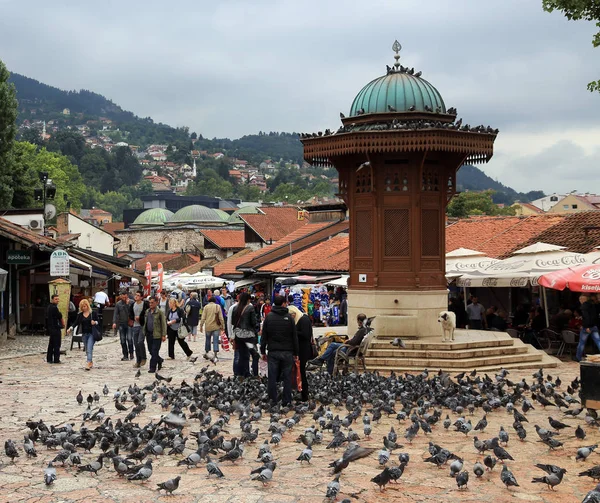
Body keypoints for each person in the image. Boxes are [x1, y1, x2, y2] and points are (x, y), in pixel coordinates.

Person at [260, 295, 298, 406]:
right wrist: (296, 353)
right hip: (287, 352)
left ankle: (273, 399)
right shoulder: (289, 318)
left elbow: (264, 336)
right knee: (287, 377)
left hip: (273, 352)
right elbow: (294, 337)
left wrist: (263, 351)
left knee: (272, 376)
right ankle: (287, 400)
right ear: (283, 304)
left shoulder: (269, 317)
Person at [231, 292, 259, 378]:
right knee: (255, 355)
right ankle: (255, 374)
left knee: (242, 356)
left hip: (239, 336)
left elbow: (233, 322)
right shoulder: (250, 308)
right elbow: (254, 322)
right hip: (248, 337)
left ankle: (241, 375)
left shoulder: (235, 308)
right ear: (248, 299)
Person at [288, 305, 313, 402]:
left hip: (304, 350)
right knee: (299, 372)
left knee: (301, 372)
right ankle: (302, 392)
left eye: (292, 316)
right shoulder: (298, 320)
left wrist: (294, 332)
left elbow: (306, 335)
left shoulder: (304, 320)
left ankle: (304, 394)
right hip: (300, 350)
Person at [68, 299, 100, 370]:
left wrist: (95, 322)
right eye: (82, 307)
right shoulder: (80, 315)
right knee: (87, 348)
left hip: (92, 333)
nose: (84, 308)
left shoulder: (93, 313)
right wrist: (70, 328)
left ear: (87, 306)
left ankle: (88, 362)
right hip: (84, 334)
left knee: (89, 347)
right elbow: (76, 323)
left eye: (85, 306)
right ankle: (90, 361)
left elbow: (98, 321)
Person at [143, 296, 167, 373]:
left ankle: (152, 367)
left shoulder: (160, 312)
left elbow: (163, 324)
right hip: (149, 334)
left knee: (154, 350)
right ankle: (159, 360)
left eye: (152, 302)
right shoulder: (147, 311)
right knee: (151, 351)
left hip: (157, 334)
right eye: (150, 302)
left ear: (156, 302)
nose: (150, 304)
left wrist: (163, 335)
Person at [576, 294, 600, 362]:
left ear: (583, 299)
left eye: (580, 299)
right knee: (598, 341)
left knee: (582, 343)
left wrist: (587, 326)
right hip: (594, 326)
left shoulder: (584, 306)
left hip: (587, 327)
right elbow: (594, 316)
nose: (580, 301)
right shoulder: (593, 305)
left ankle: (578, 357)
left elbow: (587, 317)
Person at [199, 296, 224, 361]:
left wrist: (201, 325)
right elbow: (221, 317)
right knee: (215, 340)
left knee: (208, 339)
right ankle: (215, 354)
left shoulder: (206, 307)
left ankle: (207, 352)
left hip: (208, 326)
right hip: (216, 326)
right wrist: (223, 326)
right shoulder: (217, 306)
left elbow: (203, 317)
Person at [112, 291, 134, 361]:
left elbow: (131, 312)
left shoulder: (131, 302)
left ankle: (131, 353)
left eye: (125, 296)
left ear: (127, 296)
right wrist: (114, 322)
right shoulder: (118, 304)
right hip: (121, 323)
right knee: (122, 340)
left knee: (130, 339)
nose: (124, 298)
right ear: (121, 296)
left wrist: (127, 305)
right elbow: (115, 313)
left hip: (129, 323)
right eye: (123, 296)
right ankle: (125, 355)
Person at [130, 290, 148, 368]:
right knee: (136, 344)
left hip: (142, 326)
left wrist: (140, 318)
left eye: (138, 295)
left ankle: (144, 358)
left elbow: (147, 314)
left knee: (140, 341)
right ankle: (138, 360)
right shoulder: (133, 305)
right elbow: (130, 314)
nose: (136, 296)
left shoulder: (144, 304)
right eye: (135, 295)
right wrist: (133, 318)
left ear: (141, 297)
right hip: (135, 326)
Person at [46, 294, 63, 364]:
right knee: (56, 344)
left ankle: (49, 358)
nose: (57, 300)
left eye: (58, 299)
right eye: (56, 299)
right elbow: (59, 315)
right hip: (55, 328)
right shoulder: (54, 308)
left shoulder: (49, 307)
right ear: (52, 300)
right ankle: (56, 359)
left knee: (51, 344)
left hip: (51, 328)